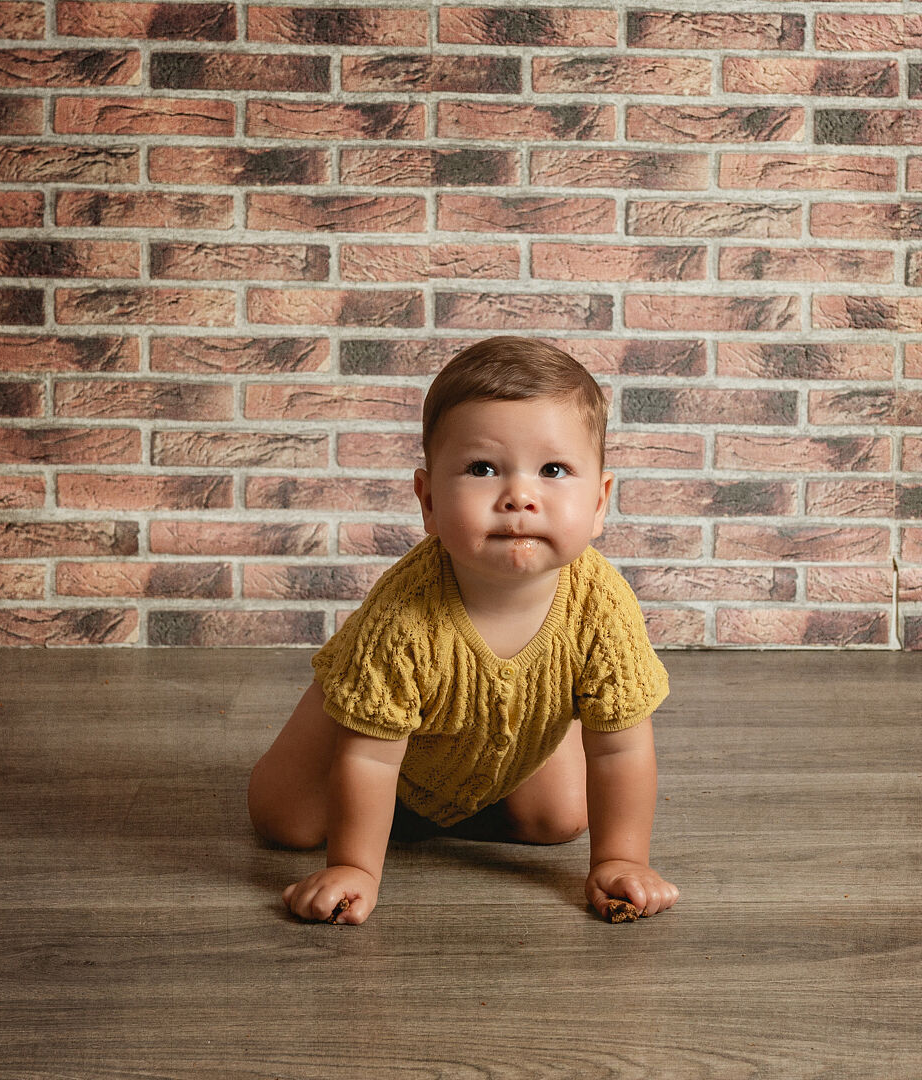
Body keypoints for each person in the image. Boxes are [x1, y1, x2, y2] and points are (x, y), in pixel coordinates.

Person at [247, 337, 679, 924]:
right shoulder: (405, 618)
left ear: (601, 502)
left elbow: (625, 745)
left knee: (560, 821)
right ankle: (400, 798)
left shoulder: (602, 607)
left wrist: (621, 858)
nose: (519, 497)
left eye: (554, 470)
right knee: (284, 822)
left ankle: (484, 777)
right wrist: (355, 867)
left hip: (505, 723)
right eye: (482, 468)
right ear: (426, 501)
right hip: (368, 729)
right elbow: (370, 760)